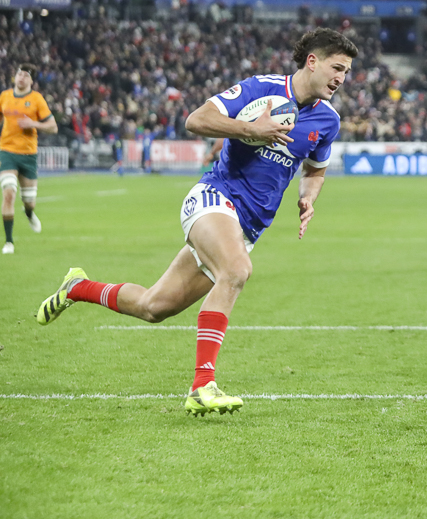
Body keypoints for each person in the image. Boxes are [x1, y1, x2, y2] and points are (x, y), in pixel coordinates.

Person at [36, 28, 358, 415]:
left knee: (155, 307)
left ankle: (78, 286)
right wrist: (251, 129)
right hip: (213, 199)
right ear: (313, 61)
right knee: (237, 270)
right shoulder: (261, 89)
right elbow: (196, 119)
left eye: (346, 71)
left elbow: (316, 170)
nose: (341, 78)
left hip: (247, 227)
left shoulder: (328, 119)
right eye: (337, 67)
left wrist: (308, 196)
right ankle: (202, 385)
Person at [0, 64, 58, 254]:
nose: (22, 78)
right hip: (7, 151)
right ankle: (9, 242)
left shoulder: (36, 99)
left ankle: (30, 213)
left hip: (28, 155)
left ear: (31, 81)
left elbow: (53, 126)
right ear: (14, 77)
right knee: (8, 194)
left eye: (26, 75)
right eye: (19, 74)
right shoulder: (4, 97)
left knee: (28, 202)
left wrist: (33, 123)